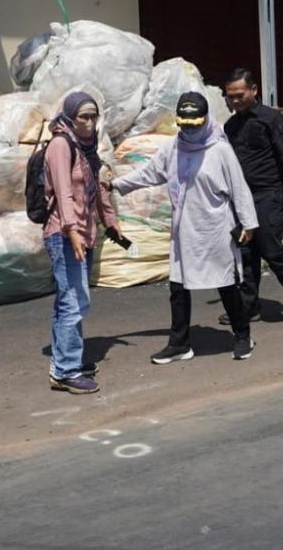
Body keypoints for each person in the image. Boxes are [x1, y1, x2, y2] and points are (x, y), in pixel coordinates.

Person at [107, 92, 260, 363]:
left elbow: (239, 188)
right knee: (178, 288)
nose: (189, 130)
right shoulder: (173, 148)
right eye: (185, 125)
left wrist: (248, 224)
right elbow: (150, 173)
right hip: (183, 230)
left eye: (195, 124)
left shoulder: (220, 149)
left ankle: (242, 336)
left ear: (205, 120)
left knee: (226, 285)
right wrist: (117, 184)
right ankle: (179, 344)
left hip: (214, 230)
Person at [222, 68, 283, 323]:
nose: (235, 100)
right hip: (242, 198)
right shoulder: (230, 126)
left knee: (268, 246)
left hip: (268, 194)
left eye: (240, 94)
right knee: (246, 250)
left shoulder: (271, 119)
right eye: (230, 96)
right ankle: (248, 306)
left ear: (254, 91)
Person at [44, 92, 120, 394]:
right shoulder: (60, 145)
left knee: (69, 299)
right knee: (74, 301)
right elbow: (63, 192)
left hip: (83, 234)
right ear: (70, 118)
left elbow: (97, 188)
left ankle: (65, 360)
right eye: (82, 117)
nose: (89, 123)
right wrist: (72, 230)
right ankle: (65, 371)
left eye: (93, 116)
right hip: (64, 235)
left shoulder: (87, 148)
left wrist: (111, 221)